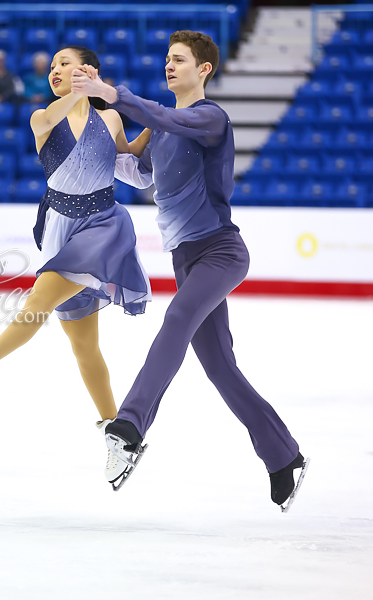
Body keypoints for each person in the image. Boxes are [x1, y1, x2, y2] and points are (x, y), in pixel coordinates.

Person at [71, 30, 309, 510]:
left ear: (204, 69)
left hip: (220, 251)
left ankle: (129, 426)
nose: (169, 65)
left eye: (178, 59)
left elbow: (160, 115)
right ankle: (283, 458)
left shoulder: (209, 118)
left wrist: (115, 93)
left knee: (177, 320)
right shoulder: (161, 129)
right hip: (186, 259)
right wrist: (92, 130)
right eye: (166, 58)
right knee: (220, 367)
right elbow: (136, 171)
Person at [0, 46, 151, 474]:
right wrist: (84, 91)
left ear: (89, 70)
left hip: (102, 225)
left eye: (65, 64)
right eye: (52, 67)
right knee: (84, 346)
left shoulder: (112, 119)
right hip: (59, 229)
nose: (55, 71)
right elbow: (54, 116)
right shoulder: (43, 117)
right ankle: (120, 436)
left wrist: (156, 128)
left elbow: (129, 168)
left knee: (35, 305)